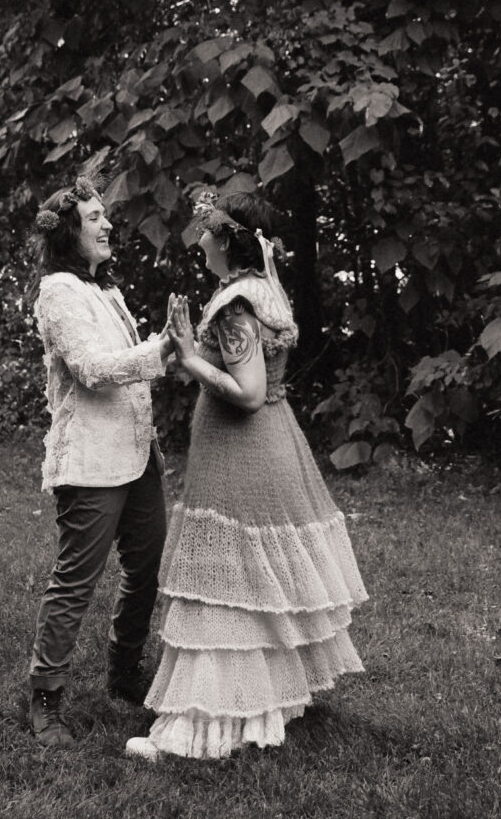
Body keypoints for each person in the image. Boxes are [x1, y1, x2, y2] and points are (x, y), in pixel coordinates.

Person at [126, 191, 368, 760]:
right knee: (253, 584)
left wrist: (189, 357)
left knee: (221, 584)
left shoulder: (236, 303)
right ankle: (268, 702)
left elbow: (250, 393)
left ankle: (201, 729)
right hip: (271, 446)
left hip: (244, 453)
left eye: (207, 229)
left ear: (228, 240)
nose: (200, 236)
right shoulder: (262, 288)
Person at [27, 174, 172, 749]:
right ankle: (46, 699)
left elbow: (129, 367)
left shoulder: (107, 291)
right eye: (93, 217)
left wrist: (173, 345)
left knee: (146, 569)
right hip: (90, 462)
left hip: (138, 459)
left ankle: (123, 672)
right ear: (68, 233)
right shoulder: (59, 291)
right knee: (75, 584)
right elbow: (92, 368)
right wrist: (165, 347)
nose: (107, 223)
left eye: (104, 215)